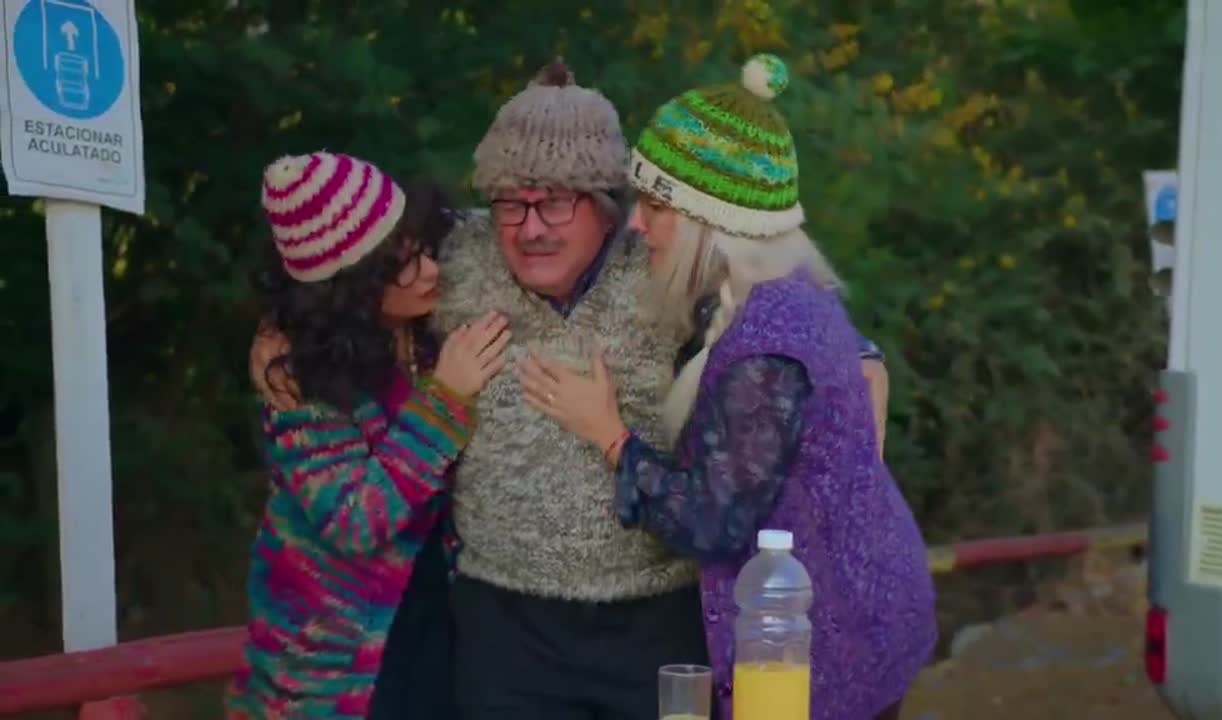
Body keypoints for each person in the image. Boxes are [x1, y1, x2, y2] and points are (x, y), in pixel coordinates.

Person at [250, 61, 891, 719]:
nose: (531, 227)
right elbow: (350, 276)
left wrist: (858, 358)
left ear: (606, 203)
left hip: (655, 621)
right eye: (510, 202)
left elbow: (778, 306)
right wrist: (280, 336)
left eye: (556, 200)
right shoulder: (453, 260)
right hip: (502, 630)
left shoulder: (667, 262)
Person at [515, 55, 937, 720]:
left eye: (657, 206)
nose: (637, 224)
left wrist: (608, 434)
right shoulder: (779, 291)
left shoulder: (767, 350)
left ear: (710, 222)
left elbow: (710, 522)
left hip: (827, 649)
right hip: (863, 612)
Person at [226, 151, 510, 719]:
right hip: (334, 662)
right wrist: (445, 400)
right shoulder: (299, 379)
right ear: (352, 286)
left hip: (433, 618)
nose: (429, 271)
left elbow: (504, 227)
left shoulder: (421, 328)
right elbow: (356, 520)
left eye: (424, 249)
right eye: (401, 265)